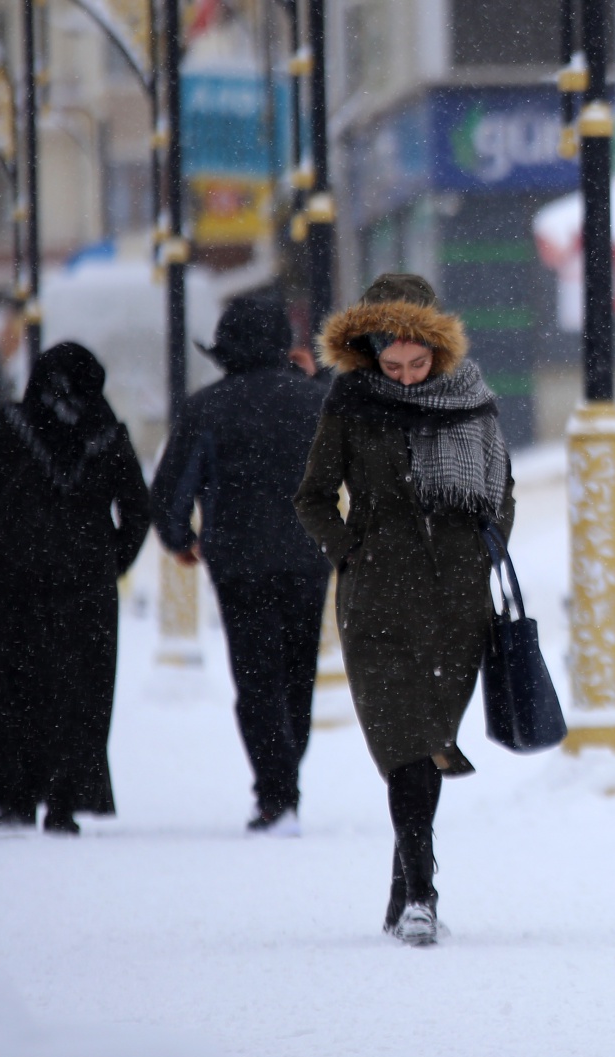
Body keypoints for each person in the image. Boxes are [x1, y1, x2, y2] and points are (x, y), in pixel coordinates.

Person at [294, 273, 514, 946]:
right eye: (393, 365)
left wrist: (485, 548)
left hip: (456, 603)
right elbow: (312, 496)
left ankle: (403, 889)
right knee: (402, 743)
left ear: (437, 349)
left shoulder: (473, 401)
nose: (408, 376)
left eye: (419, 363)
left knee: (426, 746)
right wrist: (350, 550)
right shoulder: (350, 402)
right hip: (378, 598)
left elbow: (501, 489)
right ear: (371, 351)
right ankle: (423, 893)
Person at [152, 295, 331, 835]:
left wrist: (180, 538)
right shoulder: (315, 402)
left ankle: (276, 796)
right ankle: (284, 783)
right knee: (297, 677)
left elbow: (171, 492)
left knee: (256, 681)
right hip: (307, 554)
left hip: (238, 563)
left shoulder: (205, 408)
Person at [0, 342, 151, 836]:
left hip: (12, 580)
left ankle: (15, 796)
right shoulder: (107, 434)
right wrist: (111, 560)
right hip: (84, 584)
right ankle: (66, 799)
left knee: (12, 687)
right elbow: (137, 509)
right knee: (78, 689)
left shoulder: (10, 426)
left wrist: (5, 532)